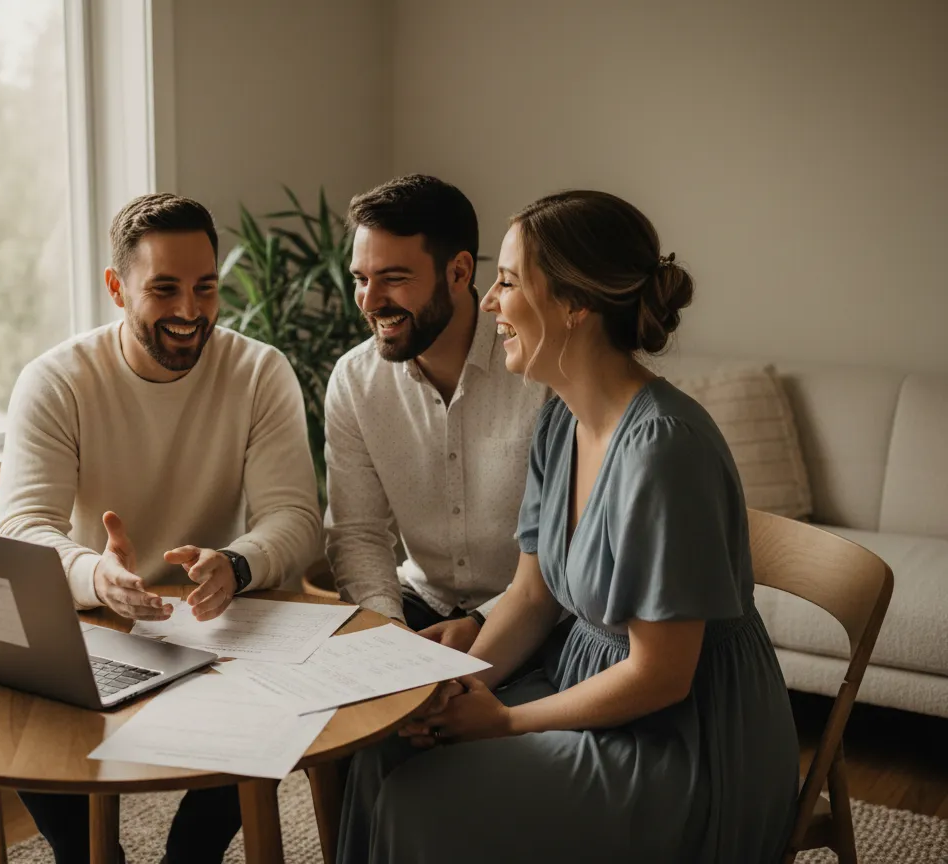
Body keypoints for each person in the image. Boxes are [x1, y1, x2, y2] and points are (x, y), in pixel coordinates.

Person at [337, 190, 800, 863]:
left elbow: (661, 676)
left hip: (685, 738)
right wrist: (460, 688)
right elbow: (532, 595)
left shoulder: (665, 448)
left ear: (575, 305)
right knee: (388, 743)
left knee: (425, 798)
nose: (491, 303)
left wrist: (505, 722)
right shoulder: (561, 418)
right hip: (583, 680)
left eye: (507, 281)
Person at [0, 193, 321, 864]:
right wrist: (97, 576)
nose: (190, 312)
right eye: (164, 289)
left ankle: (192, 854)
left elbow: (296, 519)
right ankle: (87, 855)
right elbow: (23, 529)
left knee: (296, 699)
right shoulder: (56, 381)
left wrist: (237, 562)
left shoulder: (258, 373)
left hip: (224, 623)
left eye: (205, 288)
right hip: (97, 622)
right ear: (116, 287)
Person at [325, 174, 552, 650]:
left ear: (459, 272)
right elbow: (358, 534)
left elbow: (569, 544)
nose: (368, 301)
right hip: (416, 605)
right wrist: (389, 637)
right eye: (361, 279)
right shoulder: (353, 380)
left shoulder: (543, 371)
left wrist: (484, 624)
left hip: (537, 613)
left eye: (394, 278)